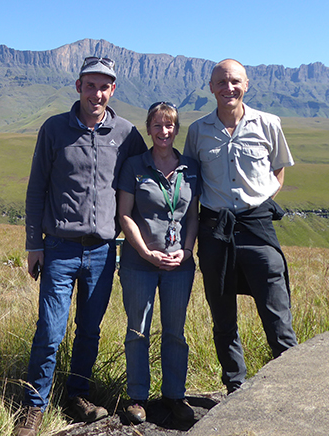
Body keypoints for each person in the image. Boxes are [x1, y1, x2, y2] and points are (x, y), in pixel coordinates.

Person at [15, 56, 148, 436]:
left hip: (103, 251)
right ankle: (34, 406)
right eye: (90, 85)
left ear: (113, 90)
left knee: (89, 330)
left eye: (104, 87)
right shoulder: (54, 129)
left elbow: (144, 180)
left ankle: (77, 395)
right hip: (59, 248)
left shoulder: (126, 133)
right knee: (50, 330)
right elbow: (36, 188)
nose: (97, 93)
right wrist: (33, 245)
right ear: (78, 86)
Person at [183, 59, 298, 394]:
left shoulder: (268, 123)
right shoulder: (198, 131)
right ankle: (235, 385)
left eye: (235, 81)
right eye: (221, 82)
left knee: (277, 315)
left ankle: (291, 387)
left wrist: (261, 200)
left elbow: (279, 168)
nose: (228, 88)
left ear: (246, 84)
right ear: (211, 88)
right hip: (215, 232)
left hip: (257, 228)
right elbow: (192, 180)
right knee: (223, 317)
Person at [117, 102, 200, 424]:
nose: (163, 132)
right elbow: (124, 214)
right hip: (139, 264)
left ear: (176, 129)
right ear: (148, 128)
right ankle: (138, 397)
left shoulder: (191, 168)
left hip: (179, 265)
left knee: (175, 332)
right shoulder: (134, 166)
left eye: (169, 126)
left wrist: (187, 251)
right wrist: (144, 252)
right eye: (157, 125)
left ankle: (174, 395)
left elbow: (193, 216)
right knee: (138, 330)